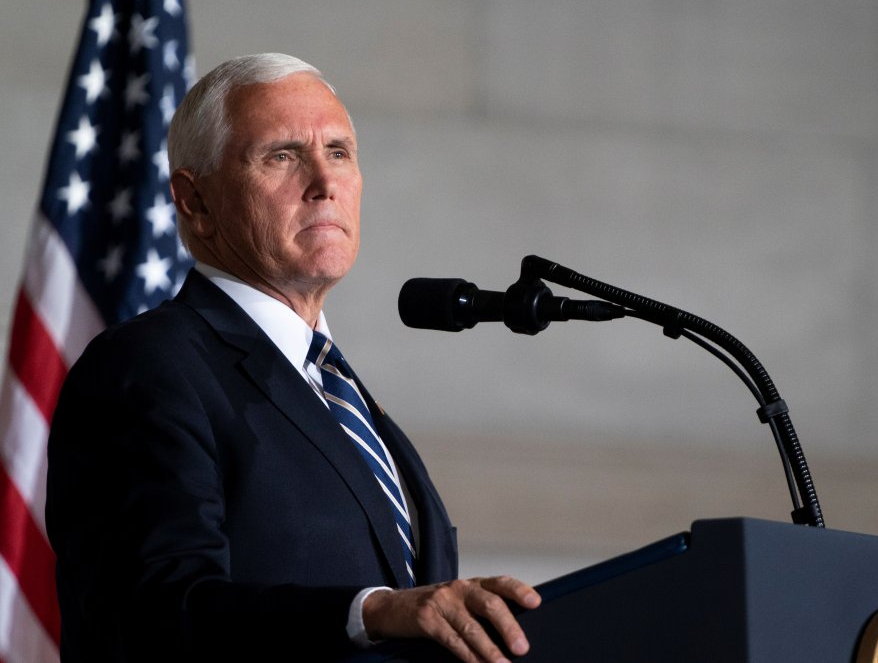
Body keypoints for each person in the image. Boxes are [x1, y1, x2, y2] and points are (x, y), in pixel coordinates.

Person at [46, 53, 540, 663]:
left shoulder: (340, 391)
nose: (324, 181)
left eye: (339, 152)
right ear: (195, 201)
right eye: (282, 155)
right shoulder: (147, 368)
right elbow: (151, 613)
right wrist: (372, 613)